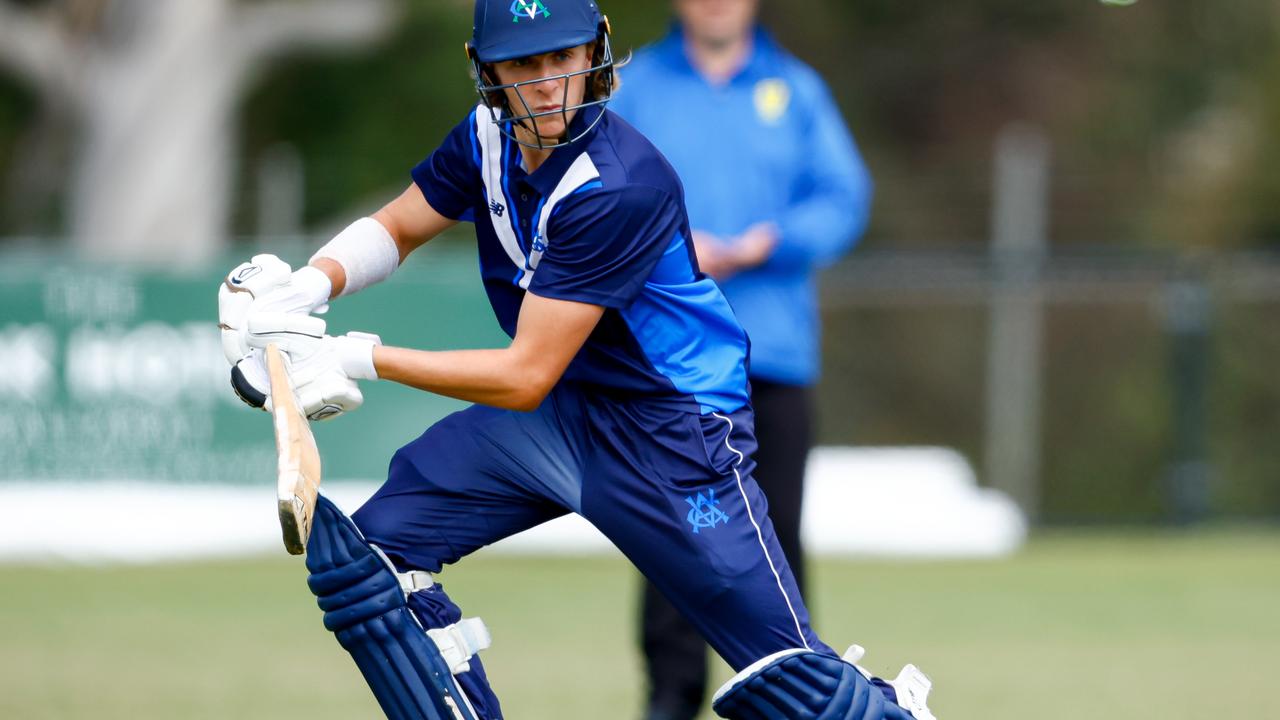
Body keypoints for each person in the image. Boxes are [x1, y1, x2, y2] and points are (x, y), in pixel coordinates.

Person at [216, 2, 928, 719]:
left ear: (597, 50)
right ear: (486, 70)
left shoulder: (619, 184)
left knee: (797, 687)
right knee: (366, 567)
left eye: (566, 57)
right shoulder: (485, 138)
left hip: (673, 435)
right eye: (527, 64)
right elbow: (401, 224)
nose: (552, 81)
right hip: (566, 414)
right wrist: (310, 284)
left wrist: (351, 355)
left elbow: (525, 375)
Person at [608, 1, 873, 718]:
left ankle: (796, 694)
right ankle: (670, 697)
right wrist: (665, 240)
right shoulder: (635, 87)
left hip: (773, 353)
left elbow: (844, 198)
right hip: (664, 361)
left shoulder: (797, 89)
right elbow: (592, 190)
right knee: (669, 532)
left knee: (775, 538)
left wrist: (767, 241)